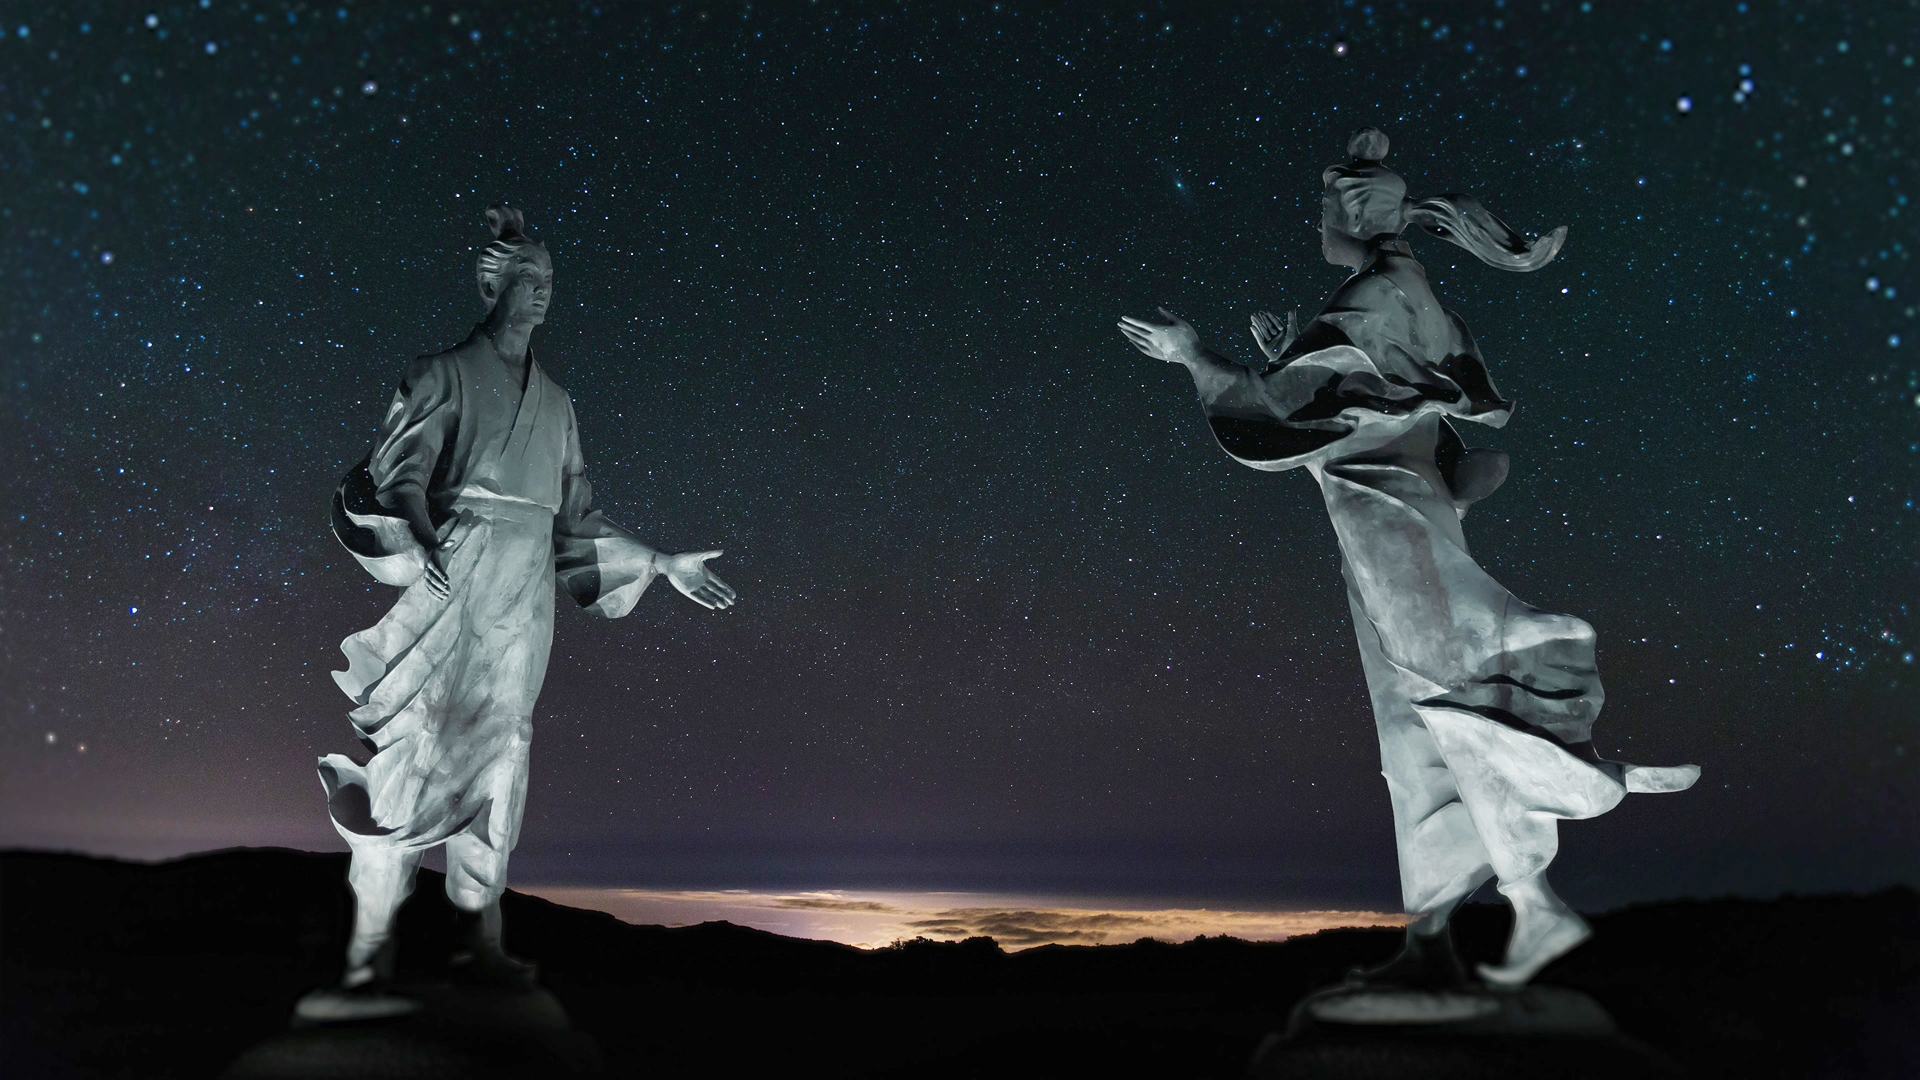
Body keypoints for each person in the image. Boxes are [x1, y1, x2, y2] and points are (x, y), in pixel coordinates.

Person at [1119, 129, 1698, 990]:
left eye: (1324, 210)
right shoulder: (1396, 292)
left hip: (1392, 525)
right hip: (1375, 531)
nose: (1318, 226)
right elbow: (1355, 401)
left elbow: (1291, 419)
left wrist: (1193, 356)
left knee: (1461, 666)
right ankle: (1494, 921)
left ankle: (1573, 744)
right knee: (1415, 749)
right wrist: (1287, 355)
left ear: (1352, 216)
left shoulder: (1377, 291)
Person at [307, 205, 736, 1016]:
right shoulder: (442, 374)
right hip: (457, 573)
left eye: (549, 283)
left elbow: (576, 518)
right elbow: (398, 471)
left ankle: (479, 942)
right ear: (493, 284)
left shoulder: (560, 405)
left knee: (506, 748)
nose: (541, 296)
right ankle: (366, 956)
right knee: (419, 748)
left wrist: (657, 560)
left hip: (525, 588)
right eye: (527, 281)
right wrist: (425, 540)